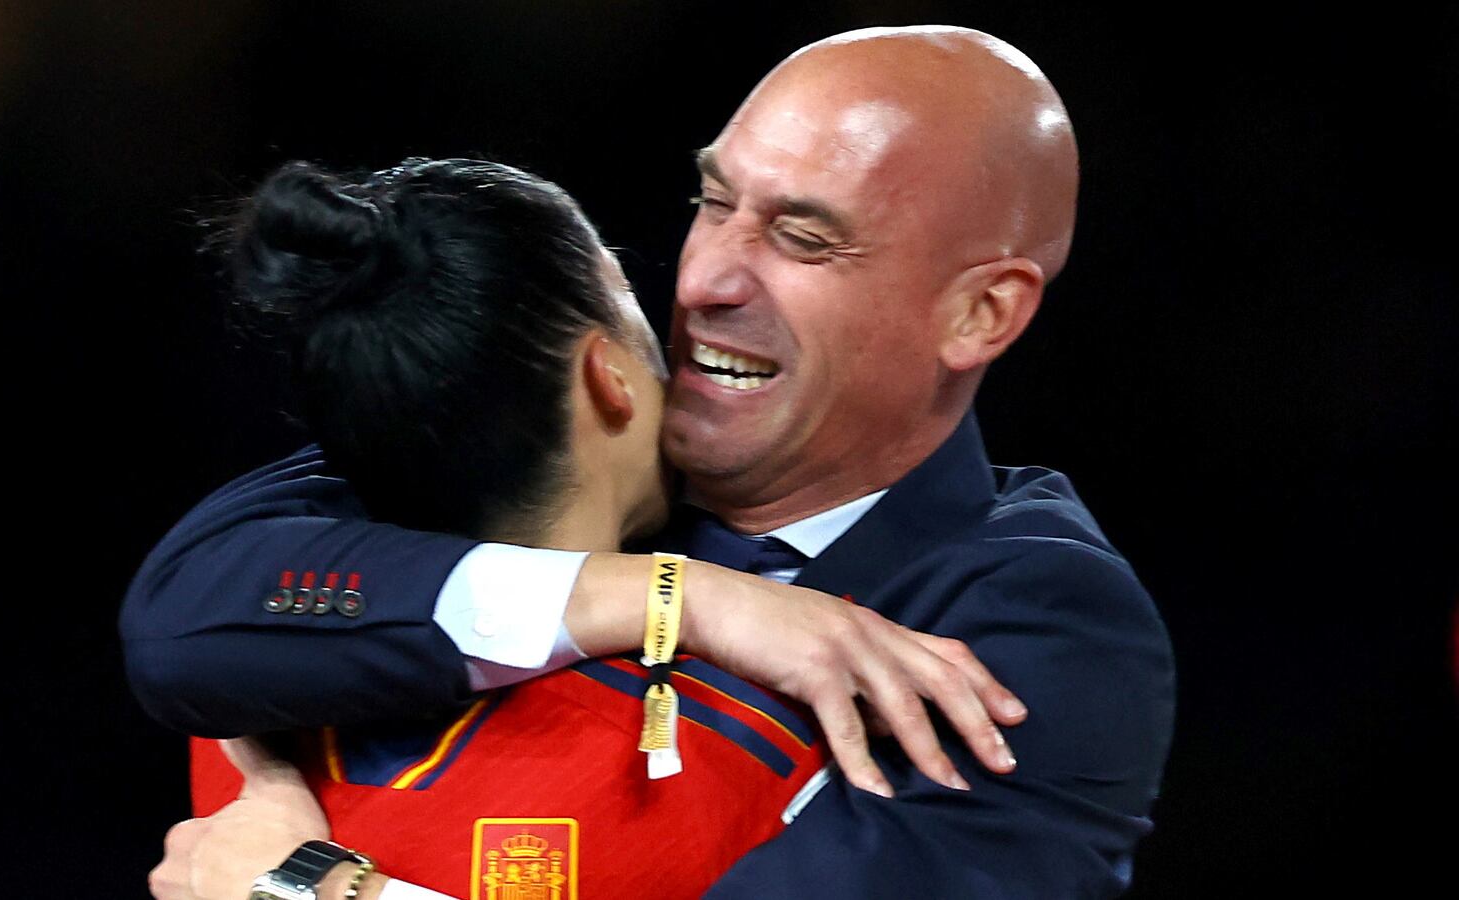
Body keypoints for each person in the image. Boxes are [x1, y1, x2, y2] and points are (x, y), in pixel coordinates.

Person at [126, 24, 1174, 899]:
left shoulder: (1035, 625)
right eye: (715, 203)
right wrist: (677, 597)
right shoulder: (579, 436)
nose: (707, 277)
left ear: (978, 311)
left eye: (803, 239)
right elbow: (183, 614)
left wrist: (309, 888)